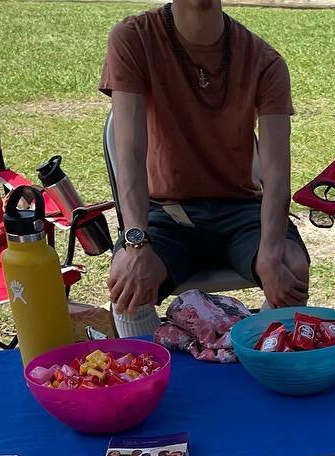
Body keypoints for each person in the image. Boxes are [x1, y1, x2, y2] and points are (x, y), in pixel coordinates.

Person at [99, 0, 309, 333]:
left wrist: (270, 253)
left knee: (290, 269)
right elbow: (129, 155)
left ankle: (266, 367)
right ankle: (151, 375)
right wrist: (134, 242)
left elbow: (277, 174)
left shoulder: (264, 61)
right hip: (167, 212)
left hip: (241, 210)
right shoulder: (134, 37)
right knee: (129, 285)